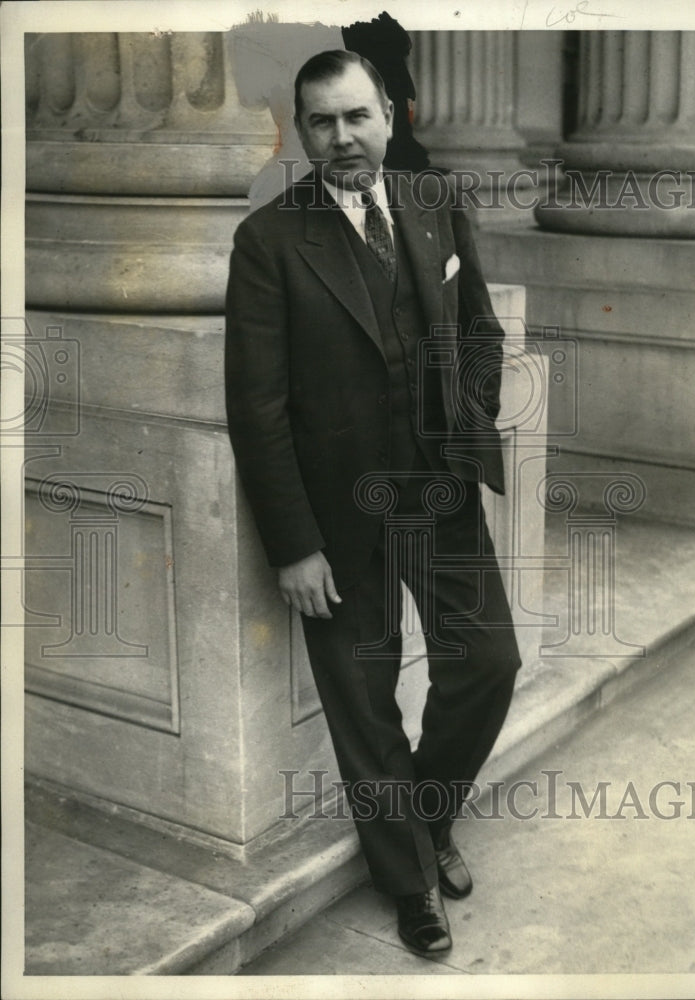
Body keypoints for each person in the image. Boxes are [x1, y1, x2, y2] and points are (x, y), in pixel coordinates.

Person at [225, 49, 521, 959]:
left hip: (438, 490)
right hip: (336, 517)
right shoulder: (270, 240)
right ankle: (409, 880)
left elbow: (478, 332)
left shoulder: (434, 205)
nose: (343, 137)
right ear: (302, 132)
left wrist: (466, 432)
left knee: (487, 663)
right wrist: (294, 544)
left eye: (357, 116)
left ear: (388, 115)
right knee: (365, 700)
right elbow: (258, 407)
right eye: (322, 122)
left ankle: (426, 820)